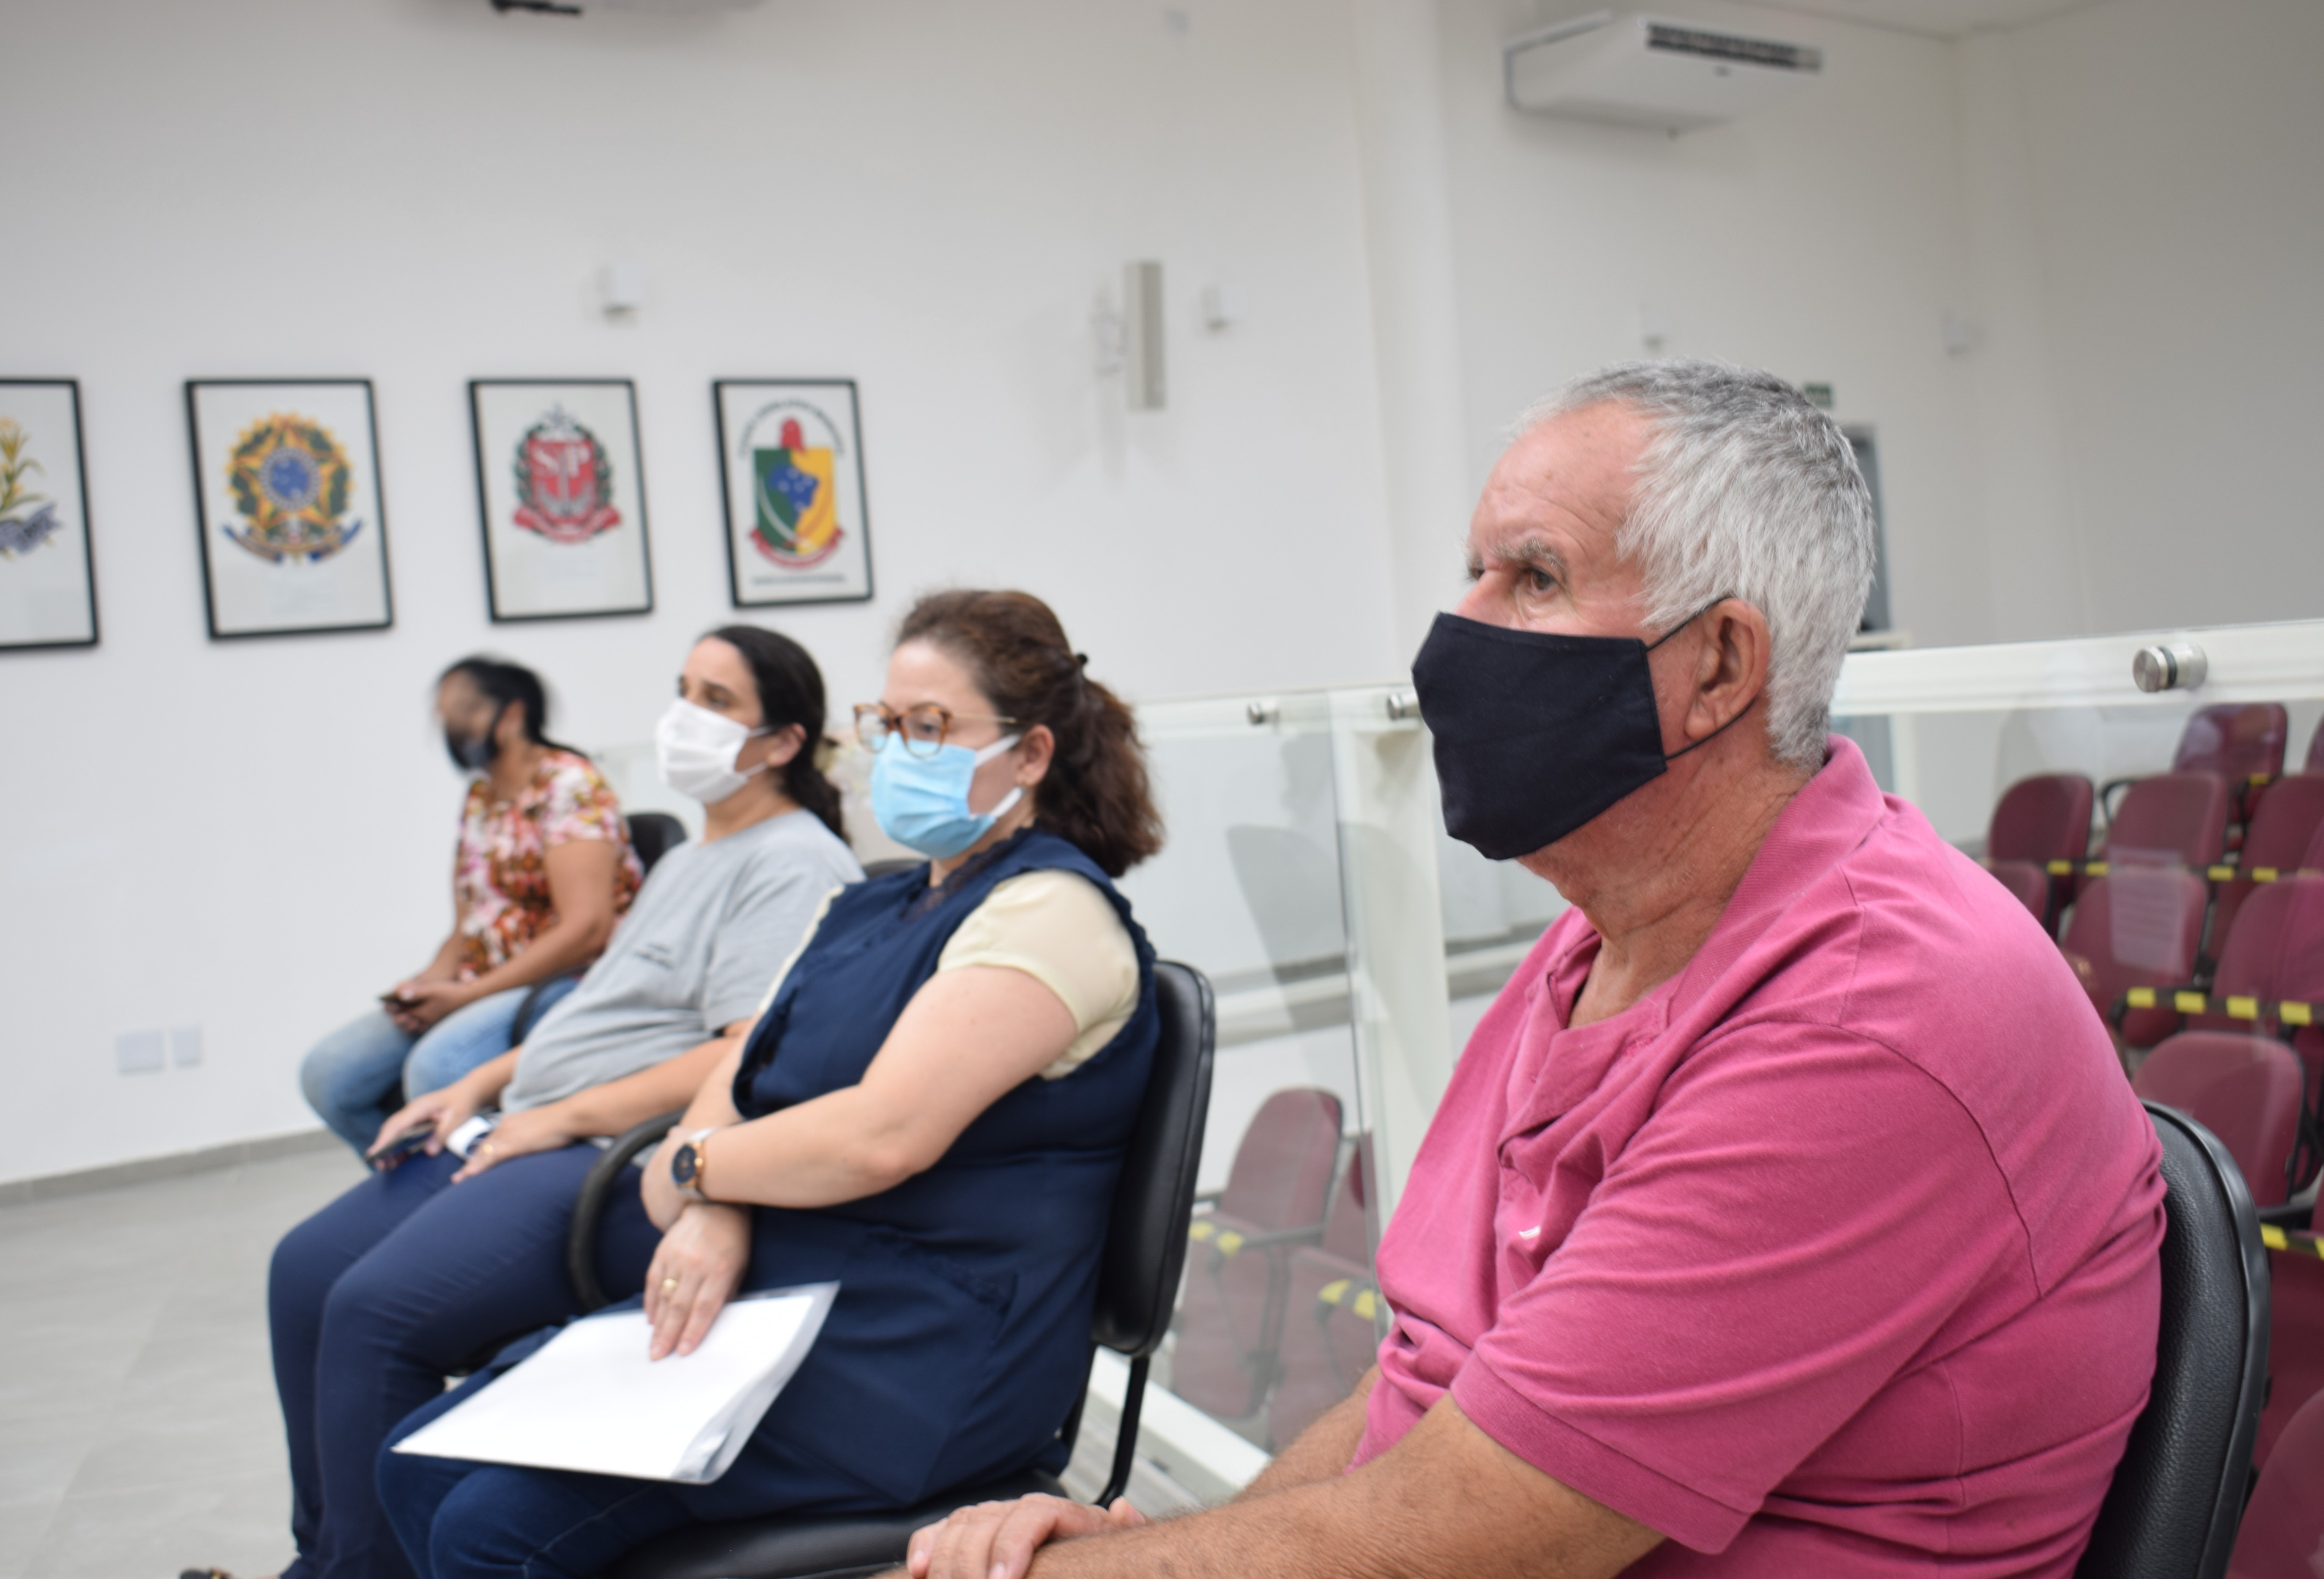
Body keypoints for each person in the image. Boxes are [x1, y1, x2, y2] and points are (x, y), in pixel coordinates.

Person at [905, 364, 2166, 1579]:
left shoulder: (1868, 1015)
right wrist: (1152, 1546)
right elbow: (1420, 1388)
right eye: (1475, 570)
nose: (1461, 624)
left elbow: (1464, 1537)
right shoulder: (1603, 938)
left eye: (1535, 577)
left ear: (1721, 666)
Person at [374, 590, 1167, 1579]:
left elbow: (879, 1137)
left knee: (485, 1527)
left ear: (1032, 754)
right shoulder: (865, 904)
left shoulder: (1048, 914)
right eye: (886, 725)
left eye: (930, 728)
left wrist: (704, 1169)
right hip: (774, 1305)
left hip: (913, 1355)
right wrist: (712, 1196)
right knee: (414, 1463)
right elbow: (735, 1089)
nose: (894, 751)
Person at [258, 626, 862, 1579]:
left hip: (613, 1159)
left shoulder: (792, 864)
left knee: (375, 1312)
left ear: (783, 742)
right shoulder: (687, 859)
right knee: (303, 1272)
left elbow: (747, 1056)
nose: (683, 716)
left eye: (716, 700)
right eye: (682, 689)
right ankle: (327, 1554)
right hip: (531, 1128)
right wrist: (477, 1084)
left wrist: (563, 1117)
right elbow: (597, 1013)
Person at [299, 657, 643, 1155]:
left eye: (463, 710)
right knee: (329, 1076)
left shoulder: (571, 786)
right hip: (483, 980)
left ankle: (460, 1207)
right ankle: (415, 1199)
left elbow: (587, 930)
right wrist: (427, 985)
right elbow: (470, 922)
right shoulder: (482, 795)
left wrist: (469, 995)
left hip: (565, 980)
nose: (450, 727)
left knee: (437, 1068)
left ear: (511, 715)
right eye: (443, 714)